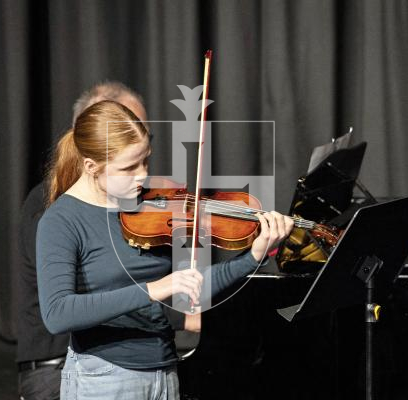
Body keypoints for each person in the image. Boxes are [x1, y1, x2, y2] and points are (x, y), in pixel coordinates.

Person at [36, 99, 294, 399]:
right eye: (129, 167)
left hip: (165, 371)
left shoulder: (153, 207)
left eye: (145, 160)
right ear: (91, 166)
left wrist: (252, 257)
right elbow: (57, 314)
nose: (142, 175)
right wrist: (153, 289)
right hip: (105, 379)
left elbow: (189, 288)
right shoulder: (62, 220)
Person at [16, 82, 197, 400]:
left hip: (145, 355)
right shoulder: (53, 206)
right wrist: (185, 315)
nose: (141, 173)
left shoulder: (136, 200)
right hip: (57, 365)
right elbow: (100, 293)